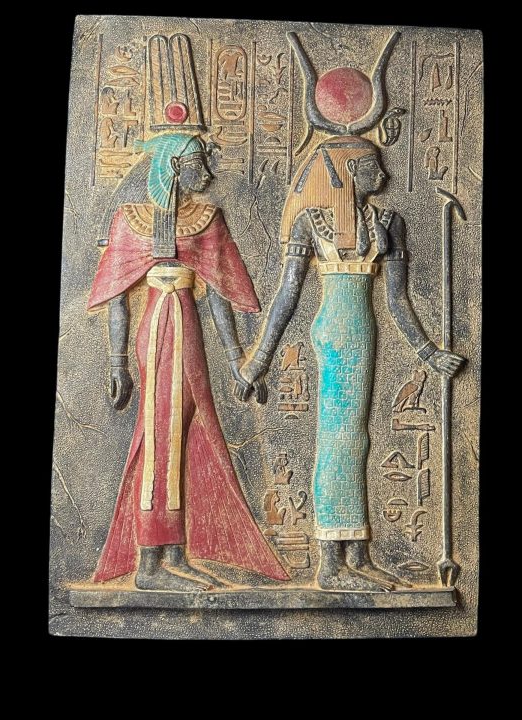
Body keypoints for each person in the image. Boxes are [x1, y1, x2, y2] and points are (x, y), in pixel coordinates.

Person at [240, 136, 465, 592]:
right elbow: (287, 295)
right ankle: (330, 563)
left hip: (363, 331)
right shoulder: (310, 222)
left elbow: (397, 300)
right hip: (333, 333)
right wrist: (259, 358)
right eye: (371, 167)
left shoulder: (389, 222)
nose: (382, 175)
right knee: (337, 440)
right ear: (347, 173)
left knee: (357, 440)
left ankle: (358, 555)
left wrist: (428, 352)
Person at [87, 132, 288, 591]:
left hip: (188, 331)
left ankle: (174, 554)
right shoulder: (132, 220)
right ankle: (150, 563)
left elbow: (217, 294)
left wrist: (237, 358)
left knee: (189, 431)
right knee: (161, 435)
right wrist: (117, 363)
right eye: (199, 163)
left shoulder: (205, 218)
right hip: (159, 330)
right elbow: (117, 297)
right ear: (175, 167)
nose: (208, 174)